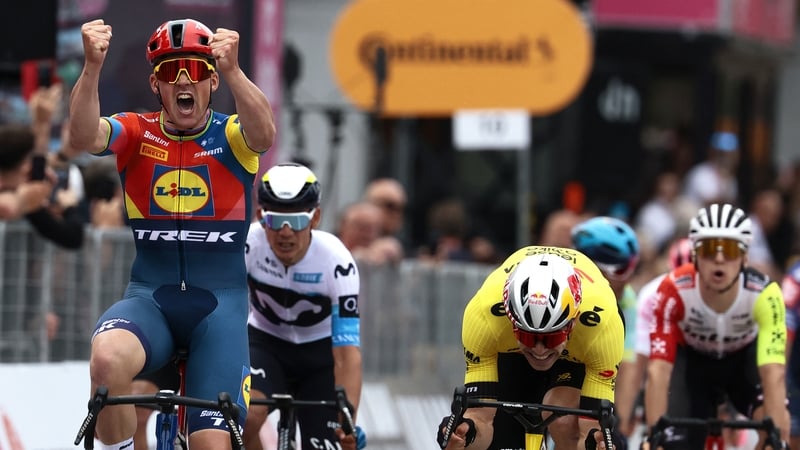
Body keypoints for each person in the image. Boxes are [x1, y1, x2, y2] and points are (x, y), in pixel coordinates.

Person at [68, 17, 275, 450]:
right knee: (106, 360)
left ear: (212, 81)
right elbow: (85, 135)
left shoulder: (232, 135)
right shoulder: (135, 132)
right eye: (169, 71)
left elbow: (265, 133)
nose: (184, 80)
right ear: (156, 84)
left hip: (220, 308)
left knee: (210, 446)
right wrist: (91, 67)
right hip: (151, 298)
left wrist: (235, 70)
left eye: (197, 70)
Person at [438, 246, 625, 450]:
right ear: (512, 322)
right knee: (504, 439)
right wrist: (464, 435)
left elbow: (590, 429)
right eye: (527, 337)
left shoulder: (602, 327)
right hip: (511, 350)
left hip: (577, 348)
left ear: (571, 324)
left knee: (564, 420)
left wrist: (596, 443)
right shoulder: (484, 317)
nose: (539, 349)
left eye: (551, 339)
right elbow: (480, 418)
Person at [645, 203, 790, 449]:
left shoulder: (765, 294)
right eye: (710, 249)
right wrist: (654, 435)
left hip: (743, 366)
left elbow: (773, 371)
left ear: (745, 257)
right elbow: (658, 371)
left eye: (730, 250)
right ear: (695, 256)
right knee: (671, 442)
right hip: (692, 366)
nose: (719, 259)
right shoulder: (673, 290)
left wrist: (774, 438)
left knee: (776, 430)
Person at [243, 163, 363, 450]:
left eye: (297, 221)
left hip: (319, 355)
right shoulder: (247, 244)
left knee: (333, 444)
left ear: (316, 218)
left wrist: (349, 420)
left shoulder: (336, 260)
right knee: (245, 418)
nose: (285, 233)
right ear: (260, 216)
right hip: (265, 343)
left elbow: (347, 354)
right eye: (274, 221)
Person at [570, 215, 641, 443]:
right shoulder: (565, 289)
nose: (627, 281)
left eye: (631, 269)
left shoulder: (627, 298)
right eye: (621, 271)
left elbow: (628, 362)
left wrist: (620, 416)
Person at [682, 131, 740, 207]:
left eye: (729, 154)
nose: (726, 158)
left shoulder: (730, 177)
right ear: (712, 152)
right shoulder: (701, 173)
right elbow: (712, 203)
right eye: (721, 154)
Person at [337, 200, 402, 265]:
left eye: (373, 229)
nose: (367, 235)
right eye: (361, 227)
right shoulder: (331, 247)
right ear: (343, 226)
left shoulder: (381, 252)